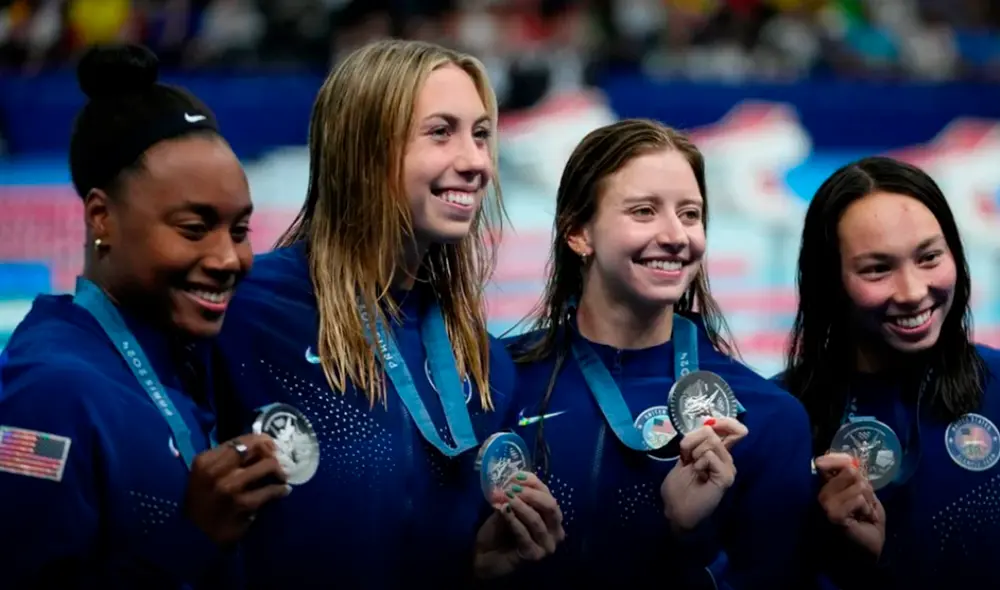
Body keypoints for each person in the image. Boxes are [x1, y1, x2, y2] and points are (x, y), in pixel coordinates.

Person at [215, 39, 564, 588]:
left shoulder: (481, 362)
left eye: (480, 135)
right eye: (441, 132)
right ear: (364, 148)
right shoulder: (245, 310)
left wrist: (479, 565)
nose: (475, 162)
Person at [0, 44, 289, 588]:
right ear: (102, 217)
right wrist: (192, 538)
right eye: (192, 228)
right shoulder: (48, 395)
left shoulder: (185, 352)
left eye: (240, 230)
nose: (228, 258)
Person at [503, 119, 816, 587]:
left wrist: (692, 537)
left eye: (690, 214)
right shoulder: (499, 382)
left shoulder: (766, 419)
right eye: (644, 211)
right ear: (577, 233)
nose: (676, 235)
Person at [776, 155, 1000, 588]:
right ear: (829, 280)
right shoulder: (783, 421)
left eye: (930, 257)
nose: (914, 292)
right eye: (877, 269)